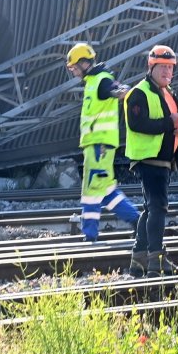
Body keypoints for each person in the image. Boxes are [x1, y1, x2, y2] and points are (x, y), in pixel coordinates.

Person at [123, 45, 178, 277]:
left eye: (170, 68)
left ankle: (138, 259)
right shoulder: (139, 93)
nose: (167, 72)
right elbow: (137, 124)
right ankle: (156, 260)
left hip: (162, 160)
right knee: (158, 208)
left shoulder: (168, 93)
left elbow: (169, 122)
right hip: (148, 159)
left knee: (150, 209)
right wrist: (169, 124)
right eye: (162, 67)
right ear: (151, 67)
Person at [65, 42, 140, 243]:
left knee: (91, 189)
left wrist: (122, 90)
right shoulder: (92, 82)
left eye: (74, 68)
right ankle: (138, 221)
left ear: (83, 63)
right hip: (97, 145)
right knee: (105, 189)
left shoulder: (101, 80)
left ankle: (89, 236)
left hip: (100, 145)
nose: (73, 72)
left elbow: (116, 88)